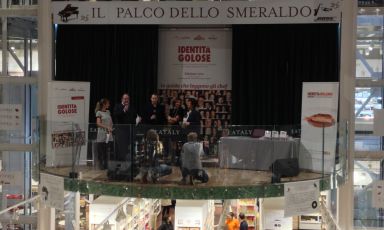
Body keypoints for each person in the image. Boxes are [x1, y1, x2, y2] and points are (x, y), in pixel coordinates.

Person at [113, 93, 140, 161]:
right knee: (121, 148)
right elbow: (116, 115)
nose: (126, 100)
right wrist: (124, 110)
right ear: (122, 99)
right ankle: (121, 163)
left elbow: (134, 117)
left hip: (130, 131)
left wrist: (137, 120)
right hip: (121, 132)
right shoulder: (118, 106)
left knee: (130, 148)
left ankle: (129, 162)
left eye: (127, 98)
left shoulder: (132, 107)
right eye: (125, 98)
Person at [95, 98, 113, 170]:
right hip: (101, 134)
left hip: (108, 134)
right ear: (104, 104)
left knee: (106, 151)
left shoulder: (108, 112)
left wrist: (111, 128)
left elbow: (111, 121)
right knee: (101, 151)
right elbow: (98, 123)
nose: (109, 104)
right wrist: (107, 127)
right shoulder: (99, 112)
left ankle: (106, 165)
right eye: (108, 103)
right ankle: (101, 165)